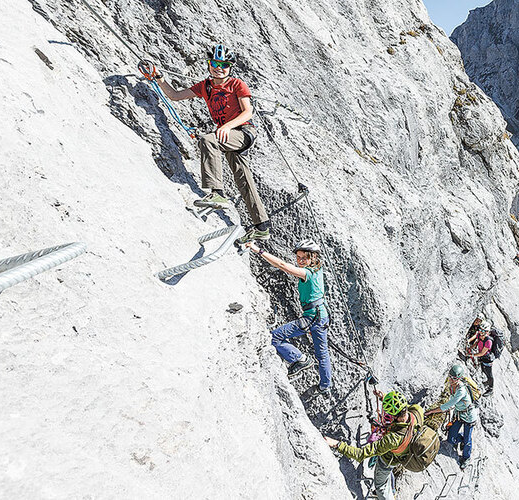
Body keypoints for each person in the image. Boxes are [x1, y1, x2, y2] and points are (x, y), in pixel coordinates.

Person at [149, 44, 271, 243]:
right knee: (243, 178)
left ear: (230, 67)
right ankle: (262, 226)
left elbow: (248, 112)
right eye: (215, 63)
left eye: (223, 64)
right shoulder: (205, 86)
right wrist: (159, 78)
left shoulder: (237, 84)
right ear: (209, 64)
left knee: (208, 139)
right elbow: (175, 96)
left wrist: (226, 127)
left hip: (243, 132)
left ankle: (217, 193)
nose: (218, 68)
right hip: (228, 136)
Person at [244, 239, 331, 391]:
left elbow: (283, 266)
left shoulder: (307, 273)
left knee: (273, 337)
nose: (300, 261)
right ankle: (325, 386)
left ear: (314, 257)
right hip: (321, 315)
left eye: (304, 257)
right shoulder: (318, 269)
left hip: (312, 317)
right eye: (298, 257)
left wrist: (257, 249)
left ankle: (300, 359)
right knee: (322, 353)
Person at [324, 391, 425, 500]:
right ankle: (392, 491)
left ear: (395, 417)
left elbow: (361, 454)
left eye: (390, 415)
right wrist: (383, 398)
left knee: (381, 486)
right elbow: (402, 409)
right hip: (403, 453)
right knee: (388, 477)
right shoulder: (417, 411)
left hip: (387, 462)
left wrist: (337, 445)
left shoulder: (393, 439)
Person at [440, 364, 478, 468]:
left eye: (454, 378)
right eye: (450, 377)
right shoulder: (451, 385)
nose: (451, 379)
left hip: (469, 417)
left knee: (467, 440)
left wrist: (433, 411)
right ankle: (461, 439)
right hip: (459, 415)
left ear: (459, 378)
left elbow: (450, 403)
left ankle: (466, 457)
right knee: (450, 439)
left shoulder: (461, 390)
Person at [460, 319, 495, 395]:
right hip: (482, 358)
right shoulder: (479, 335)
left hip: (487, 359)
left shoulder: (489, 341)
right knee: (483, 370)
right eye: (480, 330)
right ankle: (486, 382)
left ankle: (491, 389)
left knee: (489, 374)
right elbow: (476, 342)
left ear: (487, 332)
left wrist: (471, 355)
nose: (480, 332)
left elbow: (482, 353)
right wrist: (470, 348)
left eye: (483, 331)